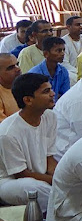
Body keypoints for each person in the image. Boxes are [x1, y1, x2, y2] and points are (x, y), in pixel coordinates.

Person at [0, 73, 56, 210]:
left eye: (51, 89)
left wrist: (60, 177)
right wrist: (56, 181)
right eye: (46, 91)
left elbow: (50, 157)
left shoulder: (50, 117)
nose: (53, 94)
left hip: (42, 177)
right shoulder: (7, 132)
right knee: (34, 189)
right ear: (28, 100)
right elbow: (20, 173)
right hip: (11, 182)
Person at [28, 37, 70, 101]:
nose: (62, 53)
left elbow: (65, 96)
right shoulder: (34, 74)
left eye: (63, 50)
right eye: (58, 51)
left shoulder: (63, 71)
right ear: (46, 54)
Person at [61, 16, 82, 86]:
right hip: (72, 71)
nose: (81, 27)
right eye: (77, 25)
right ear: (68, 27)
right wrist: (79, 71)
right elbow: (64, 63)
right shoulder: (63, 42)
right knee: (71, 78)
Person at [0, 54, 20, 122]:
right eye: (11, 68)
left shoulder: (25, 85)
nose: (18, 69)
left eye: (17, 64)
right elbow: (4, 125)